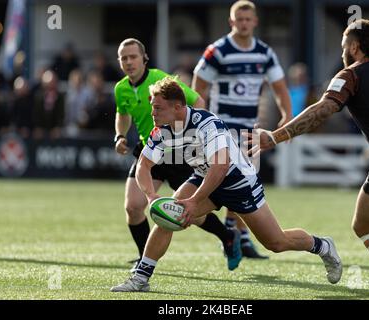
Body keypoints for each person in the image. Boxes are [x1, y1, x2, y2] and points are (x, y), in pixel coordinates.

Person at [247, 19, 369, 300]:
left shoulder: (351, 74)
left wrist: (276, 136)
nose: (343, 52)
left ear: (355, 47)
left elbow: (323, 109)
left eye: (345, 46)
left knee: (365, 227)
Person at [110, 77, 342, 292]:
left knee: (276, 242)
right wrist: (151, 196)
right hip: (204, 176)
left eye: (158, 107)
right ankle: (141, 277)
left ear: (178, 107)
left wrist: (194, 201)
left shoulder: (207, 124)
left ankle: (322, 245)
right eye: (153, 107)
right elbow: (144, 166)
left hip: (238, 183)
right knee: (170, 216)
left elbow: (221, 168)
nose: (153, 112)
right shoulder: (162, 129)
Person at [113, 38, 241, 272]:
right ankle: (145, 258)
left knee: (187, 212)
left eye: (133, 57)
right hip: (151, 150)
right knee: (133, 207)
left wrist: (194, 137)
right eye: (124, 58)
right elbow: (122, 114)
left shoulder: (161, 81)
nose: (129, 62)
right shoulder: (120, 88)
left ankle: (227, 236)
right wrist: (119, 135)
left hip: (179, 154)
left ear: (144, 58)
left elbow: (197, 101)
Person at [192, 0, 293, 259]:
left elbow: (279, 87)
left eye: (248, 19)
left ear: (255, 22)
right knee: (231, 181)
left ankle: (238, 236)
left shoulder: (264, 52)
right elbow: (198, 88)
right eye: (240, 19)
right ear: (231, 22)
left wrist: (287, 115)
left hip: (249, 129)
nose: (244, 23)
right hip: (222, 127)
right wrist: (198, 120)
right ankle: (234, 235)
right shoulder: (218, 51)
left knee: (244, 183)